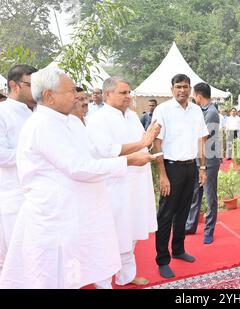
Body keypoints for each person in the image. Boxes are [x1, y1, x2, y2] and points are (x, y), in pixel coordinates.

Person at [0, 67, 157, 288]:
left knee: (74, 273)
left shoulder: (71, 122)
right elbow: (78, 167)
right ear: (49, 96)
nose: (77, 96)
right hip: (54, 218)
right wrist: (129, 160)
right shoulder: (42, 125)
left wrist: (134, 152)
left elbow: (92, 153)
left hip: (76, 215)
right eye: (71, 91)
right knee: (50, 277)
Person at [86, 77, 160, 288]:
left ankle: (126, 276)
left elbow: (142, 146)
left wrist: (149, 141)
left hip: (136, 185)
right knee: (110, 236)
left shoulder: (132, 116)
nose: (128, 96)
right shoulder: (98, 119)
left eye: (129, 92)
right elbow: (107, 150)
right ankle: (102, 282)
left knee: (131, 232)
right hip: (114, 187)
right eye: (123, 92)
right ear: (107, 94)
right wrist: (142, 142)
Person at [152, 74, 209, 279]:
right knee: (166, 215)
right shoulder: (163, 110)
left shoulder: (196, 110)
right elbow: (156, 144)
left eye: (185, 87)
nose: (182, 90)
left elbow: (200, 141)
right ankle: (162, 259)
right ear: (172, 89)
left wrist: (202, 168)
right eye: (178, 87)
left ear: (190, 89)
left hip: (190, 168)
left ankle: (178, 250)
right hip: (171, 168)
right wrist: (163, 176)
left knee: (183, 212)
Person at [0, 64, 38, 274]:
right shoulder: (2, 113)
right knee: (13, 258)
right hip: (12, 194)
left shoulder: (38, 114)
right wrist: (34, 153)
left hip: (39, 196)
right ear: (14, 85)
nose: (36, 91)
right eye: (31, 85)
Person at [185, 83, 220, 245]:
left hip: (210, 159)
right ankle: (191, 225)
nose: (192, 98)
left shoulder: (211, 112)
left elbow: (202, 136)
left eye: (193, 95)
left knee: (209, 195)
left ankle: (209, 230)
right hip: (198, 158)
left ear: (199, 95)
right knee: (195, 194)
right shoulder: (200, 110)